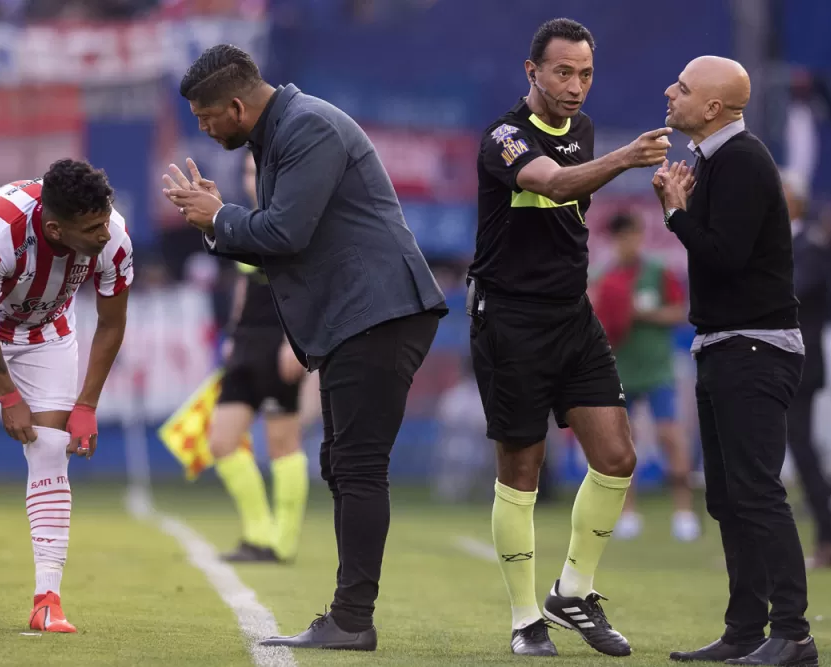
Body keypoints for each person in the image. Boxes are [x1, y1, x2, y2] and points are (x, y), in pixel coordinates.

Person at [162, 44, 448, 651]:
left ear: (236, 106)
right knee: (343, 465)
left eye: (205, 117)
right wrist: (220, 221)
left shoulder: (307, 126)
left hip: (377, 313)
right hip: (359, 317)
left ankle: (352, 619)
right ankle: (349, 615)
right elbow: (277, 244)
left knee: (359, 467)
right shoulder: (280, 134)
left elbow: (286, 234)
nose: (204, 129)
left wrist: (220, 218)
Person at [467, 17, 673, 657]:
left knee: (617, 457)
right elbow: (551, 183)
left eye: (585, 73)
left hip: (571, 317)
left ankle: (573, 593)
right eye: (563, 71)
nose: (576, 85)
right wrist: (628, 158)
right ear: (532, 72)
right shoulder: (503, 137)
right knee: (521, 471)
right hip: (509, 319)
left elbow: (570, 197)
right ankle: (526, 620)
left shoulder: (580, 130)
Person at [656, 56, 819, 666]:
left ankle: (794, 633)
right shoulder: (714, 159)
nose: (671, 91)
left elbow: (723, 257)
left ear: (714, 108)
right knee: (728, 496)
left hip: (754, 347)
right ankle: (746, 629)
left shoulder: (744, 161)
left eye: (684, 86)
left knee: (755, 491)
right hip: (726, 344)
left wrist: (675, 213)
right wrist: (680, 205)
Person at [0, 159, 133, 634]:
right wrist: (8, 395)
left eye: (106, 219)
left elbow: (112, 323)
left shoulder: (113, 235)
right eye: (92, 228)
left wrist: (86, 405)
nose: (105, 234)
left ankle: (48, 600)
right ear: (56, 228)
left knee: (49, 447)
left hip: (49, 329)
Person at [211, 151, 309, 564]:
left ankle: (280, 542)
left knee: (283, 443)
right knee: (221, 442)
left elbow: (309, 288)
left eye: (259, 171)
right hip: (247, 344)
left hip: (280, 343)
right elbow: (245, 285)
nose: (253, 179)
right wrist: (233, 334)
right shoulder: (248, 220)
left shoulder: (295, 220)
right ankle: (258, 533)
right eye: (248, 172)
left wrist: (297, 342)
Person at [595, 211, 699, 543]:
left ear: (640, 235)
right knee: (624, 446)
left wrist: (641, 313)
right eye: (619, 237)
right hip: (619, 371)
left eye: (631, 235)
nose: (626, 242)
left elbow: (680, 312)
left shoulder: (657, 272)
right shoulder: (604, 277)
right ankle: (628, 514)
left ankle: (684, 512)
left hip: (657, 371)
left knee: (670, 437)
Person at [781, 169, 831, 569]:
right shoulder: (783, 244)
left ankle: (828, 540)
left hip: (800, 363)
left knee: (801, 451)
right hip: (777, 359)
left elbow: (794, 293)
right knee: (782, 452)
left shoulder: (810, 247)